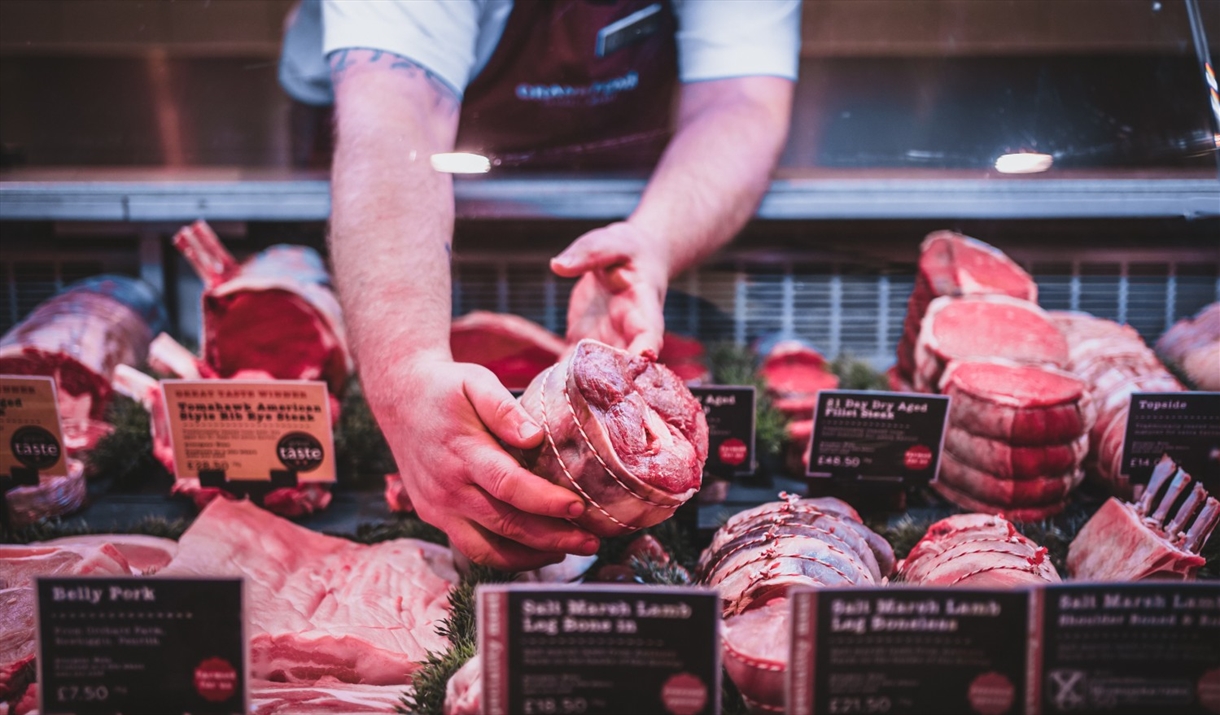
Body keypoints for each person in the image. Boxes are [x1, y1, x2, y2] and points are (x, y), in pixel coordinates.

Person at [280, 0, 801, 571]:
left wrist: (652, 239)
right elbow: (399, 117)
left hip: (623, 184)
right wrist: (404, 365)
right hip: (408, 216)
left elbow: (739, 103)